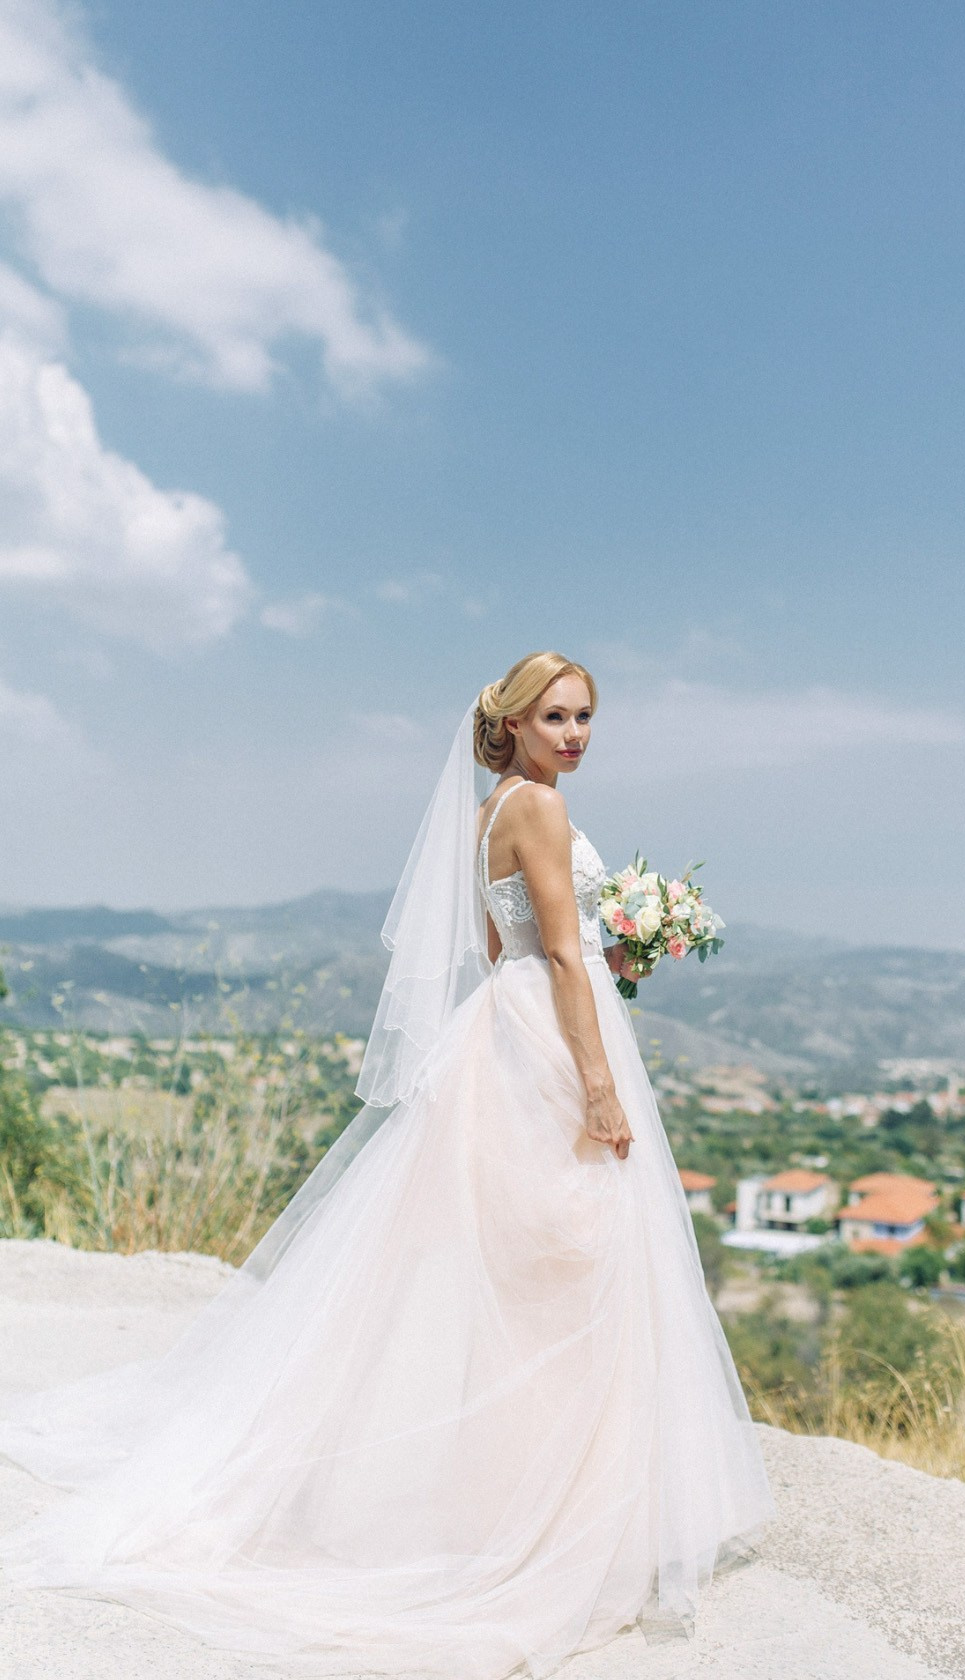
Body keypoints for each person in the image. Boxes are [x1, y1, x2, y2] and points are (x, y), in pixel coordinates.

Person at [0, 651, 774, 1677]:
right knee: (573, 1263)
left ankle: (530, 1491)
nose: (576, 733)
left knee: (522, 1269)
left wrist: (623, 947)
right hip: (548, 1047)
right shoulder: (535, 811)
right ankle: (552, 1512)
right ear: (514, 722)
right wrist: (596, 1082)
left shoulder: (495, 809)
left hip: (506, 1034)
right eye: (556, 717)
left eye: (586, 716)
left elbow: (516, 955)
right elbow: (554, 957)